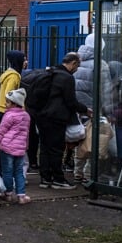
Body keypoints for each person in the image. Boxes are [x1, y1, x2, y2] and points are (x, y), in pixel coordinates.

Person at [37, 52, 88, 190]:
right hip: (56, 118)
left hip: (42, 116)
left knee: (45, 148)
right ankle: (58, 179)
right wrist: (85, 109)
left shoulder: (51, 72)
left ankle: (45, 178)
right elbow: (71, 102)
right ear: (73, 63)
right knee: (56, 150)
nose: (77, 69)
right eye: (77, 66)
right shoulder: (67, 78)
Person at [72, 34, 110, 182]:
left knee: (80, 139)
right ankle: (88, 173)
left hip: (76, 107)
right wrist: (108, 110)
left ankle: (77, 172)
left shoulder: (76, 61)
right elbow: (105, 90)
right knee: (94, 141)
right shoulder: (101, 65)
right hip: (92, 108)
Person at [0, 88, 32, 204]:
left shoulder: (9, 116)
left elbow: (1, 132)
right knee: (19, 172)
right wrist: (26, 146)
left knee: (7, 172)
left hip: (7, 148)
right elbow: (26, 133)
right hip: (20, 149)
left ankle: (8, 193)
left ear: (15, 103)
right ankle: (21, 196)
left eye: (8, 102)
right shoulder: (26, 116)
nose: (6, 104)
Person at [0, 50, 26, 122]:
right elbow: (9, 94)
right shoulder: (14, 76)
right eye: (23, 60)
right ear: (18, 61)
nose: (26, 62)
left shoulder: (8, 73)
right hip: (6, 111)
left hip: (1, 109)